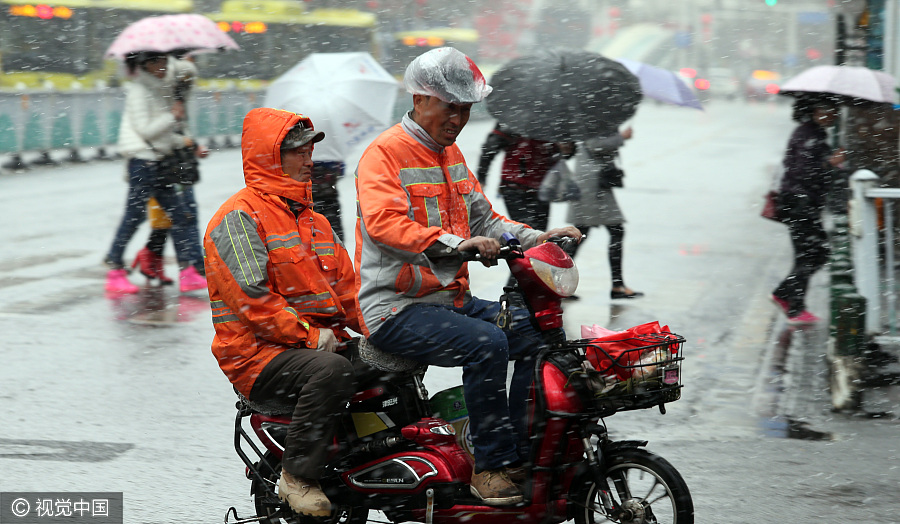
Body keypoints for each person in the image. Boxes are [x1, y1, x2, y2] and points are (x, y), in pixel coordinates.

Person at [354, 47, 581, 506]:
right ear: (420, 101)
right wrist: (457, 245)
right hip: (396, 310)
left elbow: (484, 220)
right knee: (487, 343)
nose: (458, 119)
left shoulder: (451, 155)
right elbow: (385, 224)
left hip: (449, 303)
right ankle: (490, 466)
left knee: (533, 336)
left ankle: (512, 449)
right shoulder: (384, 155)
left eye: (466, 109)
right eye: (450, 107)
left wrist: (540, 236)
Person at [204, 108, 360, 517]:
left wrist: (387, 327)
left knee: (393, 361)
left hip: (309, 345)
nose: (310, 159)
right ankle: (297, 476)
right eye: (297, 152)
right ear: (269, 157)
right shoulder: (238, 218)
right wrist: (312, 337)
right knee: (332, 371)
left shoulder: (316, 223)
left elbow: (349, 293)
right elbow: (253, 301)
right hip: (258, 357)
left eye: (310, 150)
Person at [104, 51, 207, 294]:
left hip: (159, 161)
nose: (163, 66)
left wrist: (187, 144)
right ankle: (115, 268)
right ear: (146, 65)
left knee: (180, 215)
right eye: (158, 62)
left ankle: (188, 273)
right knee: (134, 216)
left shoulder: (161, 89)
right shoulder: (139, 91)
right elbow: (147, 131)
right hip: (142, 162)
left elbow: (164, 135)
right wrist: (173, 115)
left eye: (165, 61)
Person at [133, 59, 209, 287]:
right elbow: (155, 133)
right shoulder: (158, 94)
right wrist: (185, 141)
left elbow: (176, 128)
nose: (188, 84)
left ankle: (153, 257)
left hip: (175, 162)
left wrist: (190, 143)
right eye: (185, 80)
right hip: (160, 163)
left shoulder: (175, 96)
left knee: (174, 216)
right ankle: (190, 267)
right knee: (180, 215)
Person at [771, 96, 845, 324]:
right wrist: (830, 163)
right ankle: (790, 303)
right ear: (816, 111)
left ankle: (790, 300)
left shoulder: (812, 133)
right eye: (829, 110)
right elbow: (805, 172)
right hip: (800, 203)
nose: (834, 114)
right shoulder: (809, 135)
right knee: (813, 254)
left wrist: (830, 164)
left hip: (802, 202)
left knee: (811, 254)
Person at [566, 126, 643, 300]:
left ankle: (556, 284)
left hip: (594, 184)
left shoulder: (597, 115)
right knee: (600, 232)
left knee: (580, 235)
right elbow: (595, 145)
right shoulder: (591, 116)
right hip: (591, 186)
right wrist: (621, 137)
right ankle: (616, 286)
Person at [311, 160, 345, 240]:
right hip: (329, 196)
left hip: (314, 196)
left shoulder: (306, 157)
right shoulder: (333, 156)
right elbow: (341, 171)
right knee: (334, 228)